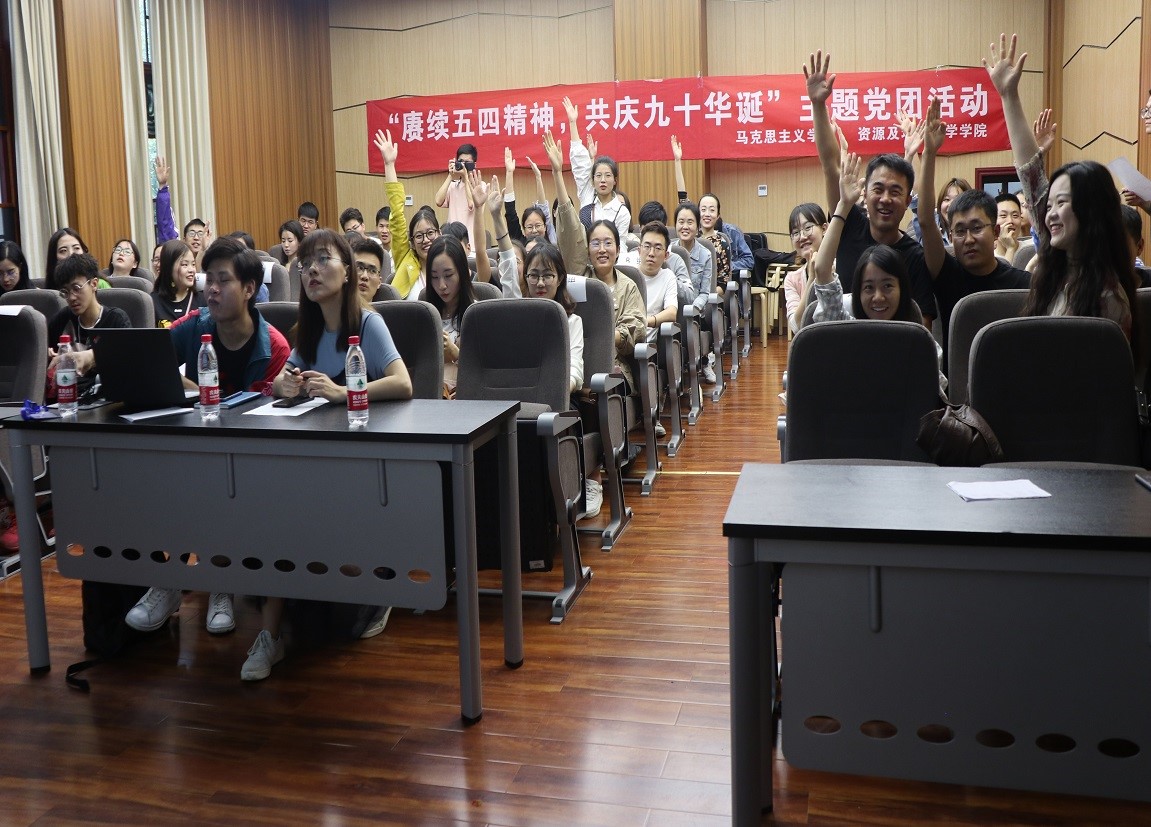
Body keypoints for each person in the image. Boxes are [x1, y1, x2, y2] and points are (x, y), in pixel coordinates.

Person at [253, 229, 412, 681]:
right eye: (305, 264)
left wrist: (344, 392)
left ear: (347, 273)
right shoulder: (308, 331)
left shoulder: (368, 324)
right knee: (276, 509)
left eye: (323, 260)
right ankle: (268, 636)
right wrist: (286, 385)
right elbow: (282, 382)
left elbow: (403, 383)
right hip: (315, 457)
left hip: (361, 459)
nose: (312, 271)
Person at [123, 237, 291, 643]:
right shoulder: (197, 325)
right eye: (208, 280)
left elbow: (263, 419)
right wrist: (90, 357)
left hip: (251, 459)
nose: (211, 289)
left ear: (249, 289)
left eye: (223, 281)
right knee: (166, 473)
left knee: (213, 479)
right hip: (198, 451)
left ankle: (219, 582)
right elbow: (150, 353)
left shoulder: (275, 348)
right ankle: (173, 580)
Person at [984, 33, 1139, 346]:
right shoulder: (1062, 266)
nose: (1049, 213)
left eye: (1062, 203)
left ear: (1090, 212)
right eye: (1050, 204)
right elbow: (1031, 177)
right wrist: (1008, 97)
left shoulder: (1106, 298)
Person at [805, 50, 938, 328]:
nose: (886, 199)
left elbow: (921, 328)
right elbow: (830, 166)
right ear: (864, 193)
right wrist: (818, 105)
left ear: (907, 201)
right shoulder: (849, 223)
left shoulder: (915, 256)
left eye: (895, 192)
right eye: (878, 189)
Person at [919, 98, 1031, 366]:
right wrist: (930, 153)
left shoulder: (1023, 285)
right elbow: (925, 221)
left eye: (976, 228)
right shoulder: (947, 275)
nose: (968, 239)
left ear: (995, 231)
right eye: (959, 231)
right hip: (958, 388)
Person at [810, 153, 923, 327]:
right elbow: (821, 269)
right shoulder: (846, 324)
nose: (878, 297)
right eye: (868, 287)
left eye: (887, 286)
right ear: (856, 292)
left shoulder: (911, 335)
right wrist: (844, 204)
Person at [45, 253, 131, 396]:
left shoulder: (115, 319)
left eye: (77, 288)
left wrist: (93, 356)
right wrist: (46, 353)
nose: (71, 297)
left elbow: (129, 357)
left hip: (107, 398)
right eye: (65, 292)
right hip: (68, 398)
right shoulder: (62, 319)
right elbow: (42, 350)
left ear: (94, 284)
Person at [563, 96, 632, 237]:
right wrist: (572, 122)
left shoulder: (622, 211)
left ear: (615, 180)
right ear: (593, 179)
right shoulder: (587, 194)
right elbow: (579, 163)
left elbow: (622, 245)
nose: (603, 180)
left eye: (608, 176)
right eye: (598, 176)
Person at [425, 234, 476, 398]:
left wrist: (456, 354)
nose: (441, 285)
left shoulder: (476, 315)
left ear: (462, 273)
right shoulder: (424, 315)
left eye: (448, 275)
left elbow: (487, 373)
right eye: (434, 277)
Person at [673, 201, 717, 384]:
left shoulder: (705, 254)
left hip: (695, 308)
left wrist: (693, 308)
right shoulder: (668, 251)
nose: (685, 226)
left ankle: (704, 360)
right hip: (672, 306)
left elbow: (706, 292)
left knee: (695, 317)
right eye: (681, 221)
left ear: (698, 226)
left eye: (690, 222)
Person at [783, 203, 828, 333]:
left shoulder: (840, 266)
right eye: (796, 233)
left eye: (808, 228)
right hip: (809, 342)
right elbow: (796, 326)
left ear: (824, 229)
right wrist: (812, 278)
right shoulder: (792, 279)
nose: (802, 237)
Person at [434, 143, 480, 247]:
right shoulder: (453, 186)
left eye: (467, 163)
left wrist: (465, 177)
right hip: (451, 242)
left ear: (474, 164)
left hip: (471, 244)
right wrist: (450, 175)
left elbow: (471, 205)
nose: (463, 165)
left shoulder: (480, 186)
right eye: (460, 162)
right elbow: (438, 201)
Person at [151, 239, 204, 327]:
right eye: (185, 264)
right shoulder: (152, 302)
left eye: (193, 264)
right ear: (169, 268)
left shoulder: (204, 301)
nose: (191, 270)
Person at [44, 228, 109, 291]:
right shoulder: (49, 292)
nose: (71, 254)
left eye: (76, 248)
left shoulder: (100, 285)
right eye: (63, 250)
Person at [352, 235, 386, 303]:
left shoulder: (389, 309)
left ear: (379, 282)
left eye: (372, 271)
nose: (365, 276)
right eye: (359, 268)